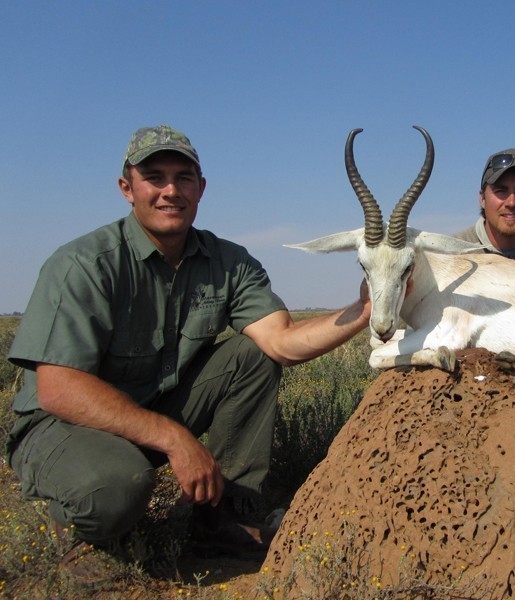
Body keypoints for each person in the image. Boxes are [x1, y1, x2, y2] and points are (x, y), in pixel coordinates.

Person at [5, 125, 371, 584]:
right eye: (155, 177)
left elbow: (281, 342)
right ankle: (80, 535)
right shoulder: (84, 263)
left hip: (147, 409)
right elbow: (59, 389)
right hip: (62, 423)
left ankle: (222, 520)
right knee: (117, 488)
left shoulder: (228, 262)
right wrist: (176, 440)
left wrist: (362, 311)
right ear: (127, 188)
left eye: (184, 177)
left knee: (253, 354)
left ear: (201, 187)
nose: (171, 191)